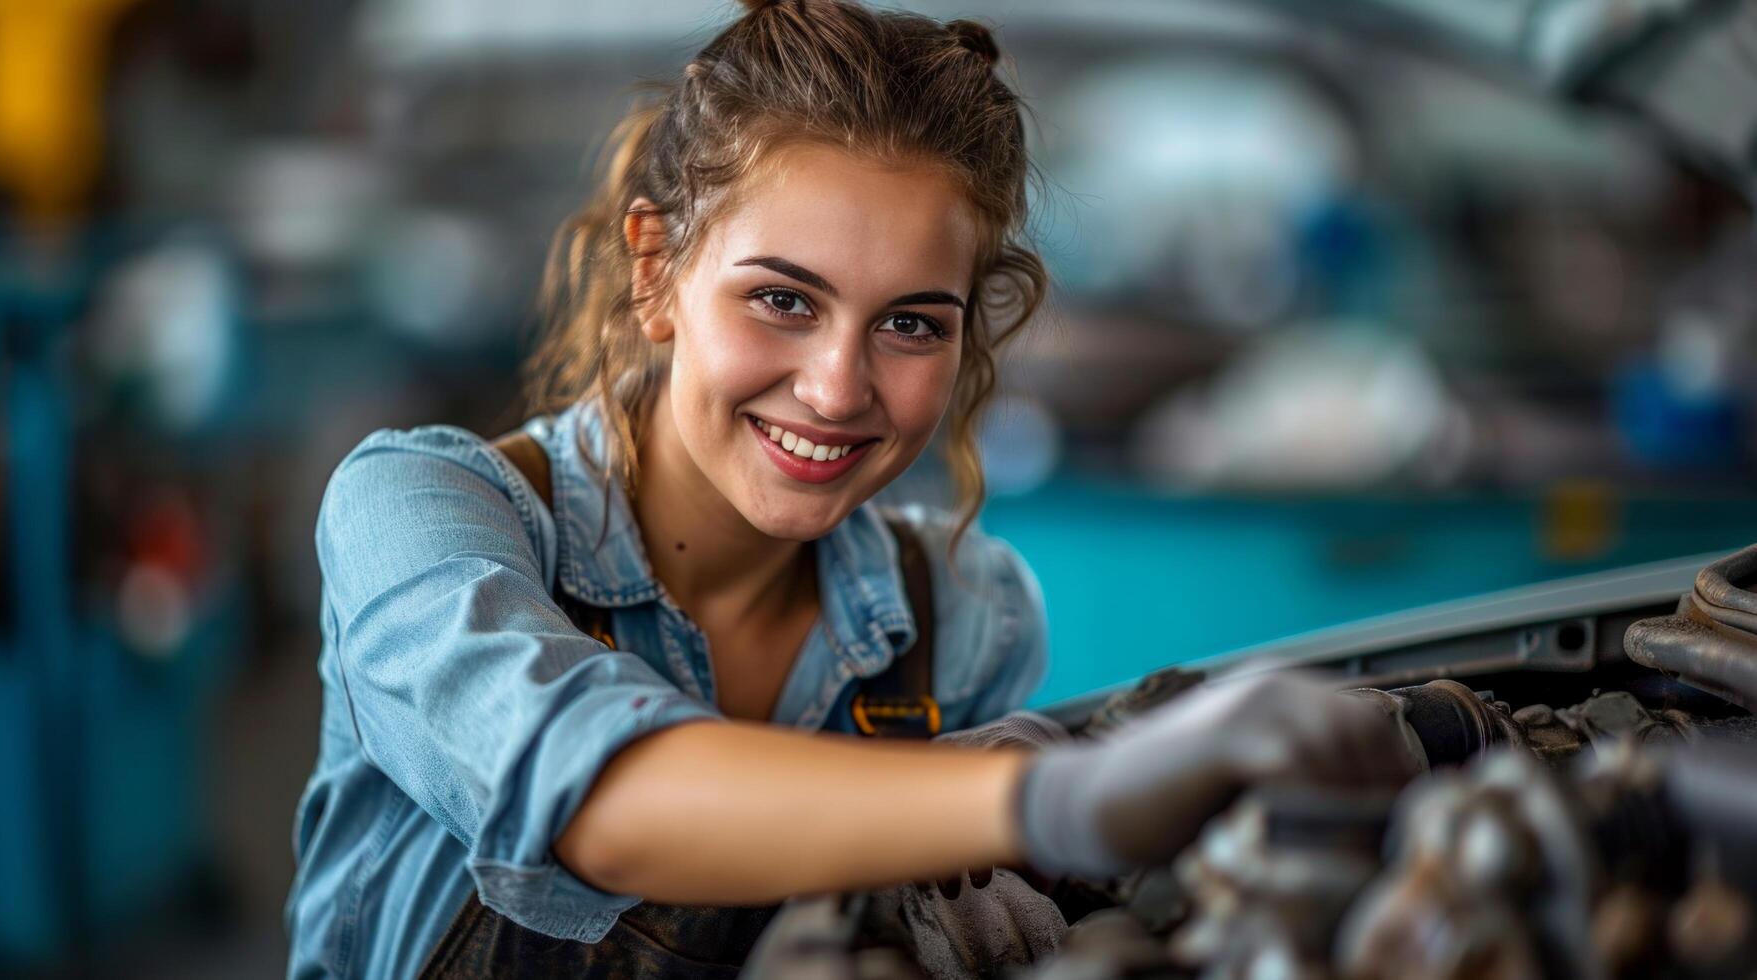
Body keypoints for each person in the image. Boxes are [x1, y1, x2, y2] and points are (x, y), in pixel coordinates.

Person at [284, 1, 1415, 976]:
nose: (834, 389)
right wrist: (1052, 798)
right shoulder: (421, 513)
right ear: (654, 270)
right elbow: (593, 798)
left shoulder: (959, 619)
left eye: (910, 323)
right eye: (781, 298)